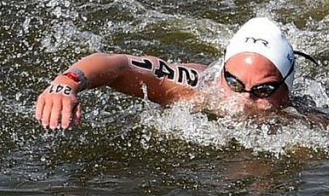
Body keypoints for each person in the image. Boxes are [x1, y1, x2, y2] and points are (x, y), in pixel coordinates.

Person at [36, 17, 314, 129]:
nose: (244, 99)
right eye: (234, 83)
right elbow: (119, 64)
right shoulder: (198, 86)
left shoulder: (309, 121)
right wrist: (66, 83)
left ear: (287, 88)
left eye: (263, 91)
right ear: (221, 73)